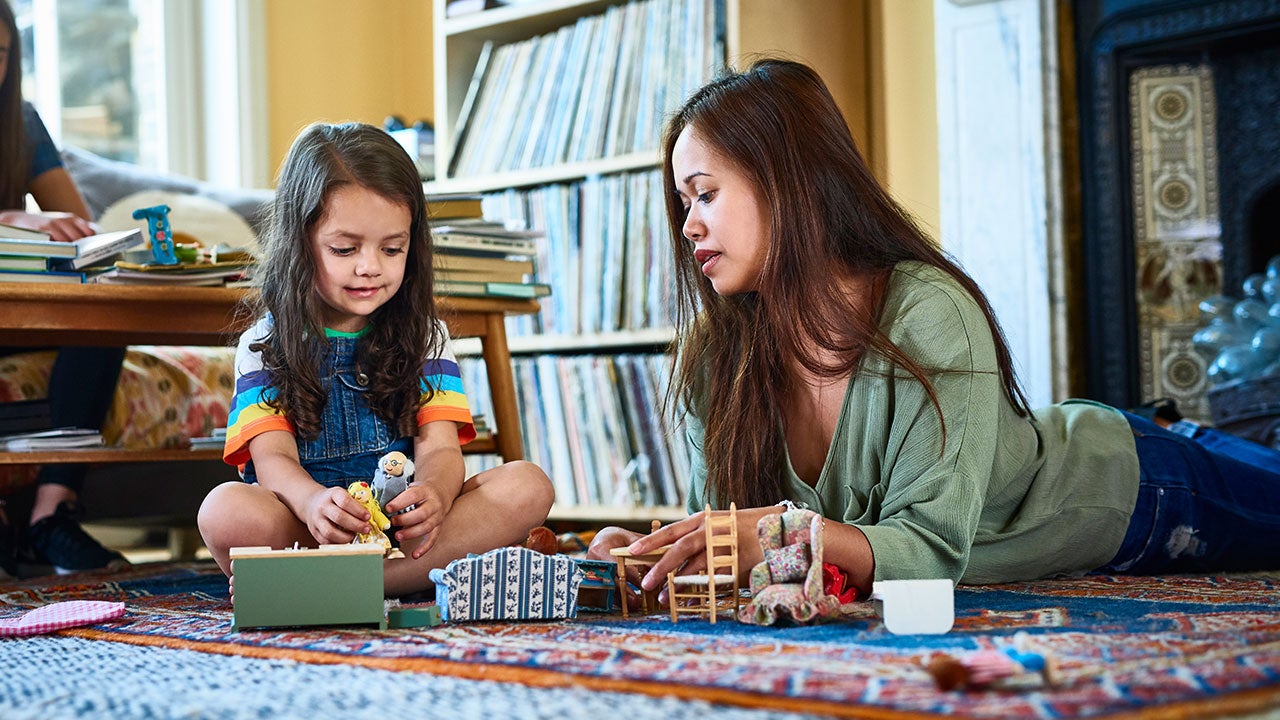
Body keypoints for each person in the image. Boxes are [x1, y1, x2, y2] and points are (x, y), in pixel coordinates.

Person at [586, 58, 1280, 606]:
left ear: (789, 183)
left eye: (706, 193)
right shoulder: (715, 356)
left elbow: (931, 549)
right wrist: (656, 555)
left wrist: (787, 535)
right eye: (682, 203)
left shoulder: (926, 311)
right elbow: (727, 537)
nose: (688, 226)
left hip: (1133, 487)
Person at [197, 122, 555, 597]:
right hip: (313, 533)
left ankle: (327, 588)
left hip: (406, 537)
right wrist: (312, 505)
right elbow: (274, 462)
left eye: (392, 248)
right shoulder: (264, 346)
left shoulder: (425, 337)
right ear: (301, 242)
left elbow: (442, 451)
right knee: (224, 509)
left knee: (528, 484)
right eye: (345, 249)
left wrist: (436, 494)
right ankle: (377, 581)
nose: (370, 266)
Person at [0, 0, 129, 577]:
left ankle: (51, 513)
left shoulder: (20, 121)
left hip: (21, 314)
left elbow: (82, 228)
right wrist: (11, 218)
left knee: (106, 313)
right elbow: (28, 219)